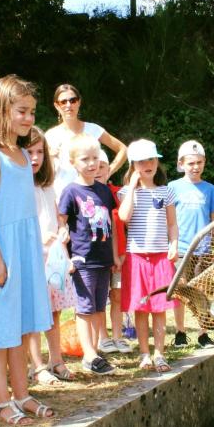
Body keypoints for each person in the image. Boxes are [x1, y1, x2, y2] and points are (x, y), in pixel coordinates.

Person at [0, 75, 54, 425]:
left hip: (26, 249)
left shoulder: (22, 154)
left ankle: (22, 394)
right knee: (0, 327)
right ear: (2, 110)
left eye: (32, 112)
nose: (29, 119)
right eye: (22, 111)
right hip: (1, 250)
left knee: (21, 326)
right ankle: (1, 400)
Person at [58, 134, 118, 376]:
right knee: (84, 308)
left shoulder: (104, 191)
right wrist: (66, 257)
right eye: (85, 159)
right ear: (73, 163)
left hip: (103, 259)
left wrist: (114, 257)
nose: (92, 164)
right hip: (82, 260)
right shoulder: (70, 191)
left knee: (99, 306)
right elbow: (61, 224)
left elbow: (111, 225)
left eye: (95, 158)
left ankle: (94, 350)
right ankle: (89, 354)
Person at [118, 140, 179, 373]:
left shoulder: (167, 191)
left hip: (161, 256)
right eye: (142, 161)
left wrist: (173, 243)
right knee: (141, 308)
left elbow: (172, 224)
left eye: (152, 159)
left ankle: (160, 354)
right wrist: (132, 187)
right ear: (133, 165)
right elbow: (124, 217)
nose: (148, 164)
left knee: (160, 307)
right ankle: (144, 354)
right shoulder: (126, 192)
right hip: (136, 258)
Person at [28, 126, 76, 384]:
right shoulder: (20, 185)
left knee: (54, 311)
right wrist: (38, 237)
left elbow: (56, 217)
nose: (35, 158)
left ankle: (55, 359)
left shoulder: (47, 186)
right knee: (35, 314)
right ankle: (37, 366)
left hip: (53, 259)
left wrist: (63, 230)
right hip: (33, 256)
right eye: (29, 152)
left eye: (39, 152)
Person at [169, 140, 214, 349]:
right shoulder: (173, 187)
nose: (195, 167)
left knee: (202, 292)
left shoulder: (210, 189)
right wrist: (169, 244)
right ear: (181, 164)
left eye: (199, 162)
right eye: (191, 163)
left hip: (203, 249)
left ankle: (203, 333)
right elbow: (168, 219)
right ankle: (181, 333)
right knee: (181, 292)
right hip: (181, 248)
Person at [45, 83, 128, 200]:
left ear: (79, 102)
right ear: (56, 106)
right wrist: (49, 157)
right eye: (63, 102)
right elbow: (42, 171)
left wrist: (108, 171)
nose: (68, 105)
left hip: (92, 197)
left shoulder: (94, 129)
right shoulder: (50, 136)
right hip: (62, 198)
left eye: (73, 100)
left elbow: (123, 150)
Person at [95, 150, 132, 355]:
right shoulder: (86, 194)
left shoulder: (117, 193)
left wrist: (121, 253)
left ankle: (117, 335)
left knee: (117, 294)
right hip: (98, 256)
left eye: (103, 166)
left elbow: (124, 221)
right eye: (96, 165)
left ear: (109, 169)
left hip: (119, 254)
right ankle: (103, 337)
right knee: (99, 298)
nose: (99, 170)